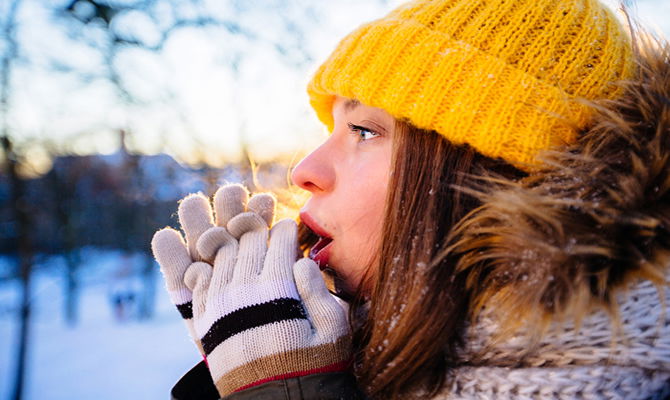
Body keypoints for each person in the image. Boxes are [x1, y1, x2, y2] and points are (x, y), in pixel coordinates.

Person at [152, 0, 670, 398]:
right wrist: (240, 365)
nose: (304, 171)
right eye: (333, 127)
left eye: (363, 130)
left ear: (488, 175)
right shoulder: (380, 345)